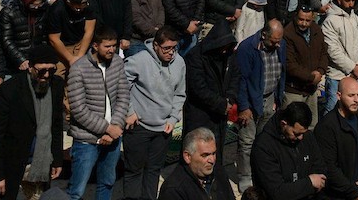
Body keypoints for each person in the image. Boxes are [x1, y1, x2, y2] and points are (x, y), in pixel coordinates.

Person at [0, 44, 65, 200]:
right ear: (30, 67)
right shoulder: (9, 90)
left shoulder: (56, 86)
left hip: (40, 161)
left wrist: (57, 159)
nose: (46, 75)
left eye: (51, 70)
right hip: (12, 162)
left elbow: (56, 125)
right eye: (42, 71)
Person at [66, 26, 130, 200]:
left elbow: (124, 95)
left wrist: (115, 126)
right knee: (76, 190)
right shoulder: (78, 69)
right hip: (87, 139)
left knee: (107, 182)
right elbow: (78, 110)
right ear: (95, 45)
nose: (111, 50)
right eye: (107, 46)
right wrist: (107, 128)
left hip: (114, 136)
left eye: (114, 46)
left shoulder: (117, 62)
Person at [122, 26, 186, 200]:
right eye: (166, 48)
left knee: (153, 170)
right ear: (155, 45)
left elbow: (180, 94)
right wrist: (130, 111)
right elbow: (120, 85)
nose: (171, 52)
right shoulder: (139, 60)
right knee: (134, 171)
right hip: (139, 126)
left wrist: (173, 119)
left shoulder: (179, 63)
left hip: (163, 127)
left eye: (174, 48)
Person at [235, 18, 287, 191]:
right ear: (264, 35)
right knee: (247, 141)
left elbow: (282, 72)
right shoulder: (247, 48)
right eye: (274, 41)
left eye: (279, 41)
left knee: (264, 140)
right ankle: (245, 176)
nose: (278, 45)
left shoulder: (281, 45)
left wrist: (277, 100)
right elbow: (241, 80)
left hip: (270, 98)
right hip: (251, 101)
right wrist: (244, 107)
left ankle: (260, 172)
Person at [316, 75, 358, 200]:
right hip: (337, 194)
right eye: (351, 95)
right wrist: (354, 190)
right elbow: (329, 167)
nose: (356, 100)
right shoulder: (327, 126)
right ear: (339, 96)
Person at [251, 100, 327, 200]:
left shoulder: (307, 136)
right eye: (296, 134)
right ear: (284, 124)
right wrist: (309, 183)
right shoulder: (263, 147)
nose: (301, 138)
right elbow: (277, 192)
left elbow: (320, 166)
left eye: (303, 133)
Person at [183, 21, 235, 151]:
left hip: (220, 115)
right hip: (200, 115)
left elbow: (235, 79)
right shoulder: (195, 57)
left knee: (215, 152)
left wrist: (230, 99)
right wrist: (221, 103)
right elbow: (198, 88)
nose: (224, 50)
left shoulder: (230, 56)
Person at [157, 127, 235, 200]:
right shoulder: (174, 190)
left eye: (213, 153)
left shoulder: (219, 172)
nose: (212, 160)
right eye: (205, 155)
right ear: (187, 156)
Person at [323, 0, 358, 113]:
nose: (351, 4)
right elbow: (332, 50)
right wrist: (352, 67)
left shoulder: (356, 19)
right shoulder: (330, 21)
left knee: (351, 110)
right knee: (333, 109)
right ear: (340, 0)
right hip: (337, 75)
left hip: (355, 74)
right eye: (347, 1)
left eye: (353, 0)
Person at [284, 5, 329, 125]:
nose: (303, 23)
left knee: (311, 125)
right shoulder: (288, 33)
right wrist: (311, 77)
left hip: (312, 89)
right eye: (301, 19)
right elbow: (290, 65)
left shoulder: (316, 29)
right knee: (292, 124)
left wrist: (320, 71)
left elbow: (324, 52)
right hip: (294, 90)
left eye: (307, 20)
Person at [44, 0, 95, 69]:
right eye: (77, 8)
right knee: (59, 73)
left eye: (83, 6)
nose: (80, 10)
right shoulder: (57, 9)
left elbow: (89, 31)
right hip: (62, 46)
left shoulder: (88, 6)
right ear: (68, 2)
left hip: (81, 43)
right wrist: (70, 59)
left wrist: (80, 56)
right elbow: (54, 39)